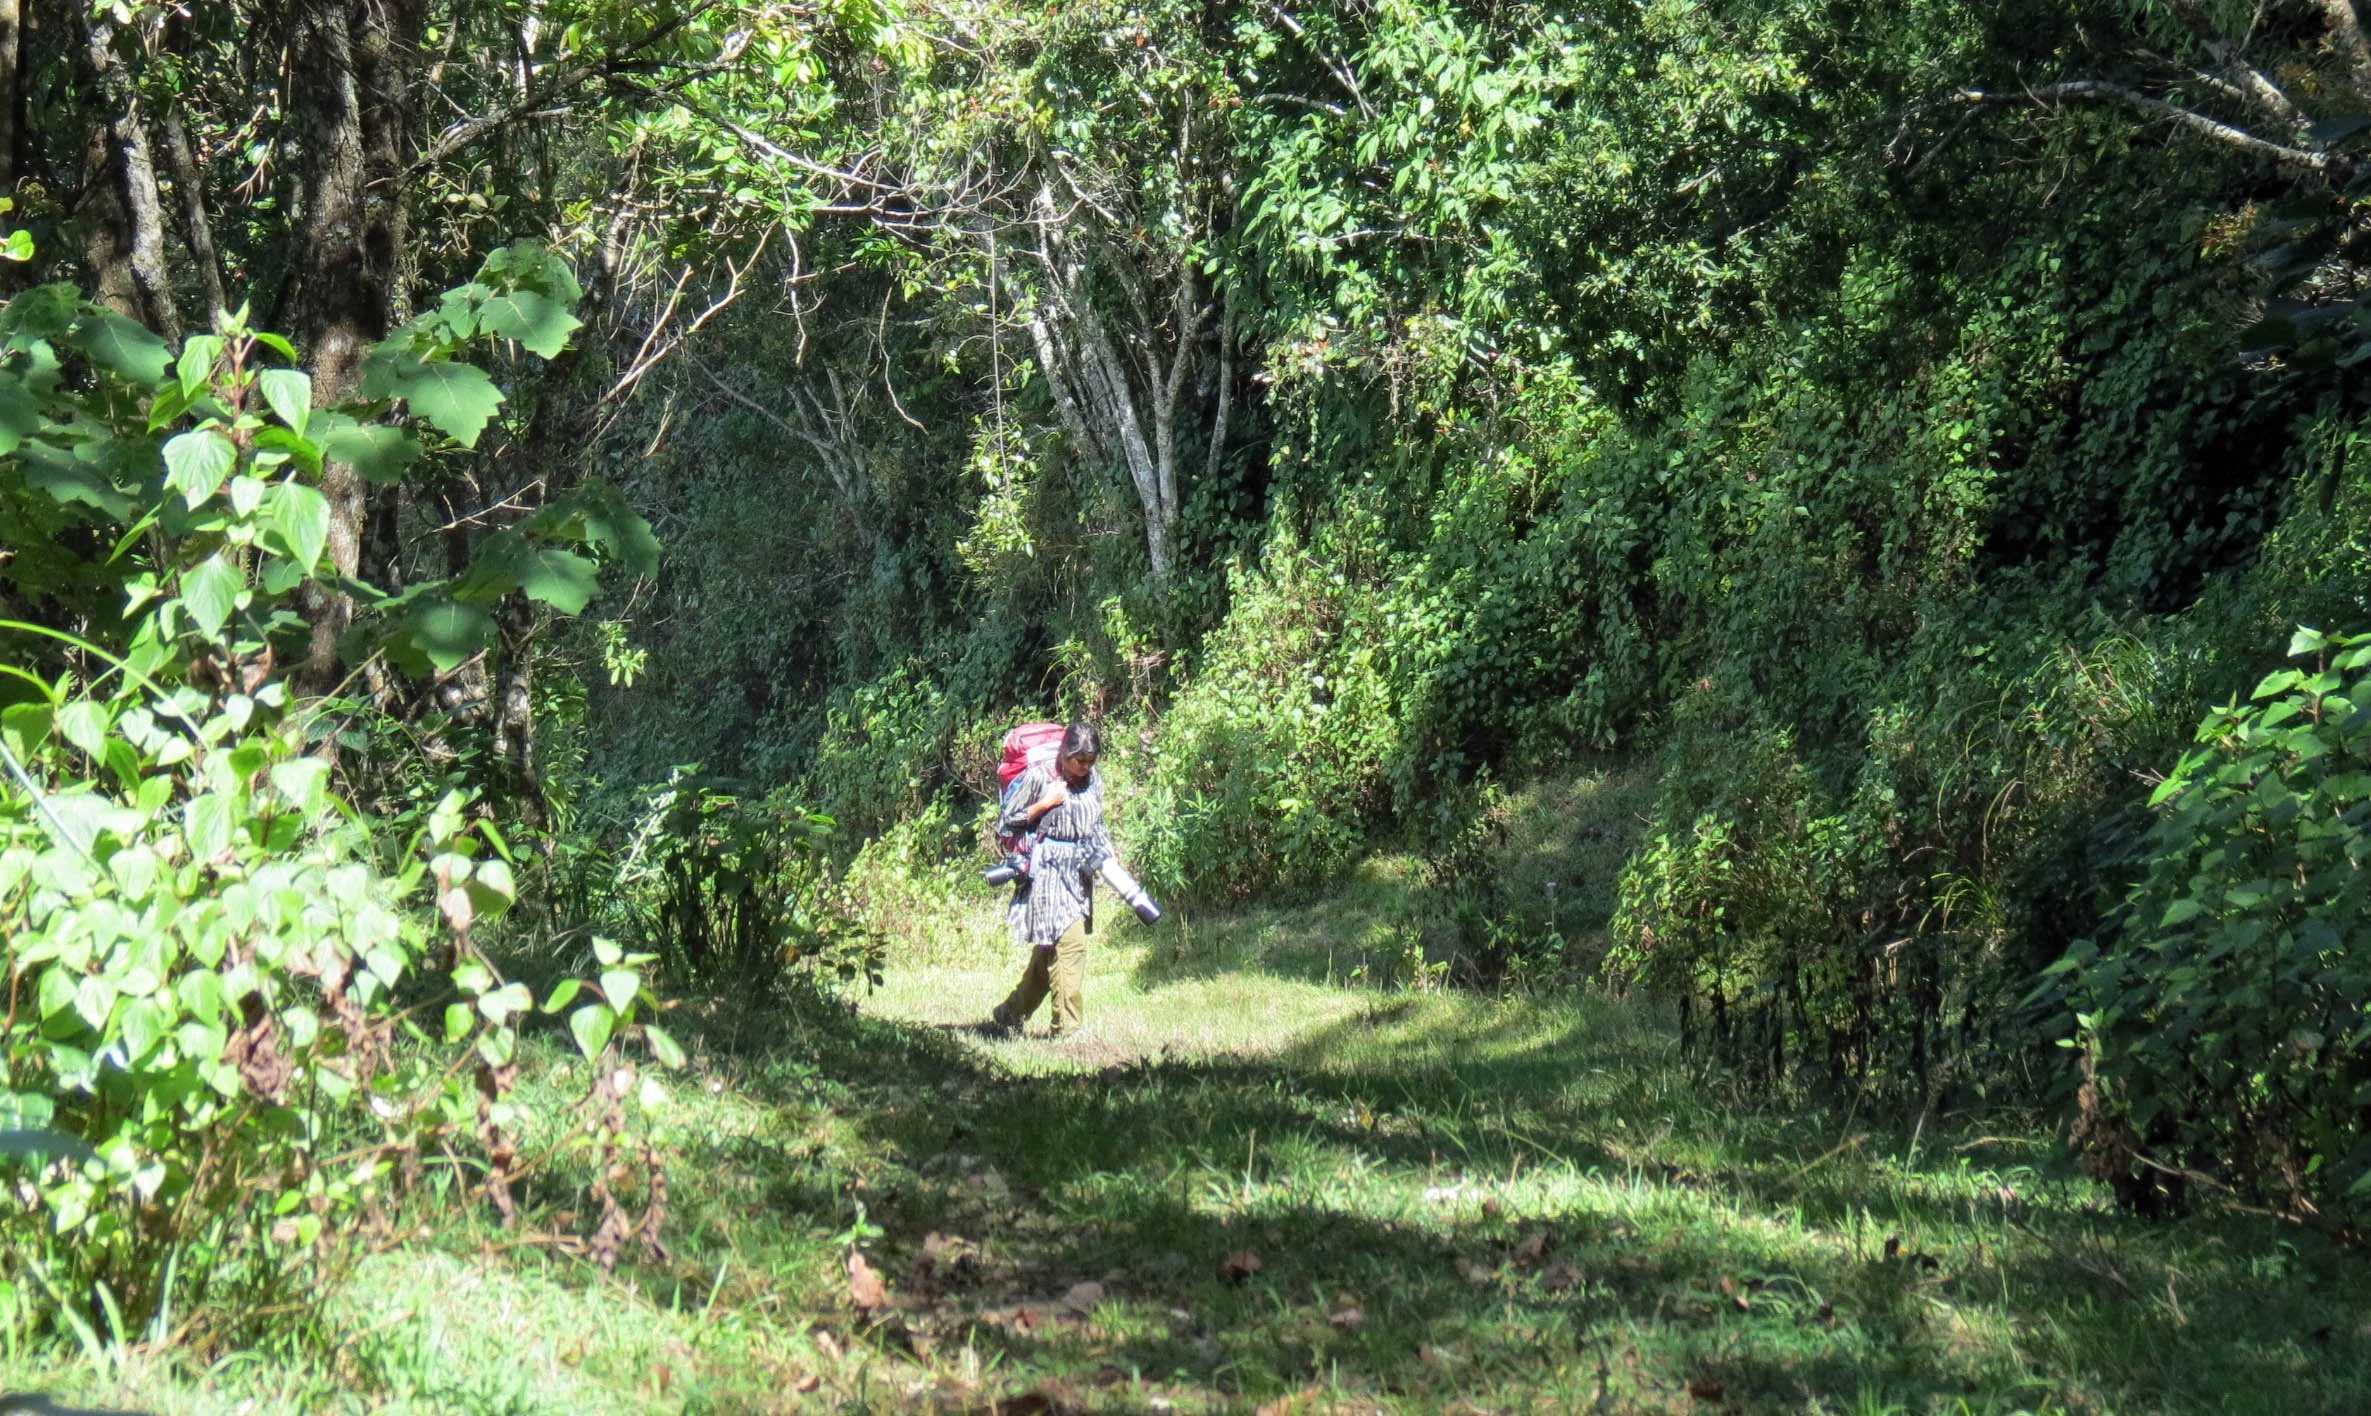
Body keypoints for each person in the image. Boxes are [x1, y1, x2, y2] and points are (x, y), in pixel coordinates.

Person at [987, 720, 1117, 1039]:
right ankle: (1068, 1029)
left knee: (1049, 952)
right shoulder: (1040, 777)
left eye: (1091, 761)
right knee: (1071, 945)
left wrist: (1108, 857)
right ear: (1064, 753)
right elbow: (1006, 823)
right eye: (1079, 761)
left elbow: (1096, 823)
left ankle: (1009, 1014)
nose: (1085, 767)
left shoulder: (1092, 780)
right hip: (1047, 875)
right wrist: (1044, 804)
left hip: (1078, 875)